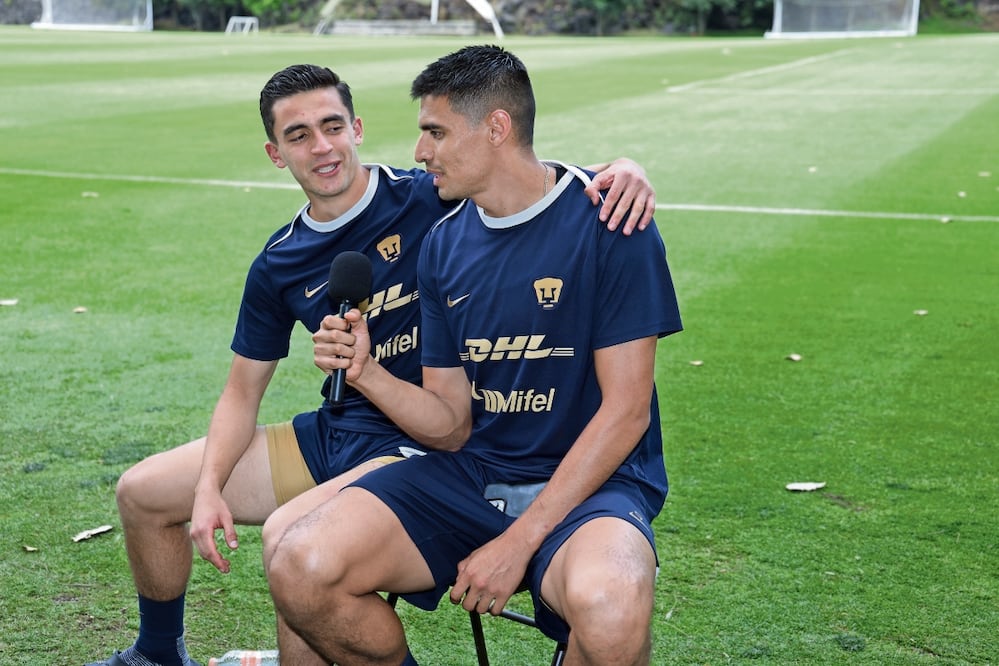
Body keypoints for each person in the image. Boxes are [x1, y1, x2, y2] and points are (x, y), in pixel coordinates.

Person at [87, 61, 657, 666]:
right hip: (351, 425)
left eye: (331, 125)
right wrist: (209, 487)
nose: (321, 146)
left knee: (289, 535)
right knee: (145, 493)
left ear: (356, 128)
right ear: (275, 153)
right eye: (298, 135)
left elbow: (524, 177)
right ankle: (157, 654)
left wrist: (624, 171)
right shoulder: (283, 261)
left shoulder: (430, 199)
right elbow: (240, 392)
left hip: (418, 440)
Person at [267, 46, 682, 666]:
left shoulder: (609, 219)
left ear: (495, 128)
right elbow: (451, 423)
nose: (419, 152)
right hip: (474, 473)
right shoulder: (441, 246)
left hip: (594, 486)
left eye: (434, 131)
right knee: (302, 564)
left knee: (612, 605)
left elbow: (626, 414)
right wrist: (367, 371)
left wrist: (519, 541)